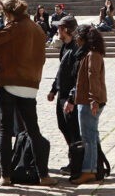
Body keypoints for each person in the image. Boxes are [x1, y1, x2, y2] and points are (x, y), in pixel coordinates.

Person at [0, 0, 55, 186]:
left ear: (8, 13)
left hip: (8, 82)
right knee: (33, 131)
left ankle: (6, 176)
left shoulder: (14, 26)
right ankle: (44, 175)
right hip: (29, 85)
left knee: (5, 131)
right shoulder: (37, 29)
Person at [68, 24, 108, 185]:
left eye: (78, 36)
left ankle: (89, 171)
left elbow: (93, 78)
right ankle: (96, 167)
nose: (76, 40)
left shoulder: (92, 55)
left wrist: (93, 100)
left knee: (88, 138)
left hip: (88, 101)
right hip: (86, 100)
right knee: (92, 136)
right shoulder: (88, 54)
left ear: (83, 38)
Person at [46, 16, 83, 173]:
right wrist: (54, 89)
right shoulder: (65, 47)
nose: (57, 31)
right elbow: (61, 70)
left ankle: (78, 162)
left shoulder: (76, 49)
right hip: (62, 94)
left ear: (67, 29)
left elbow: (78, 77)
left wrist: (71, 98)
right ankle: (74, 157)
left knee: (73, 129)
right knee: (63, 126)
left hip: (70, 97)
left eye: (60, 28)